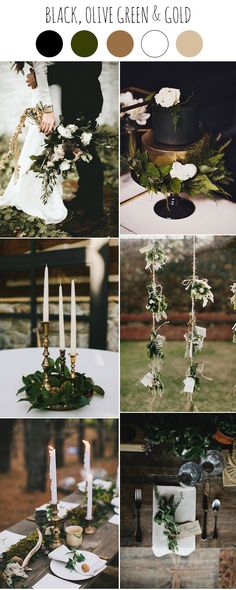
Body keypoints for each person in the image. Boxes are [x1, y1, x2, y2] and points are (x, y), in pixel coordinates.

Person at [27, 62, 104, 226]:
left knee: (88, 157)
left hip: (84, 99)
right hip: (72, 100)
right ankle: (83, 199)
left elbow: (85, 68)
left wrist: (44, 75)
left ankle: (95, 213)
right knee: (79, 154)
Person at [0, 62, 68, 225]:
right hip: (44, 94)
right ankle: (32, 193)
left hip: (48, 95)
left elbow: (42, 70)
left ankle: (42, 192)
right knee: (38, 140)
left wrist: (48, 110)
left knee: (46, 140)